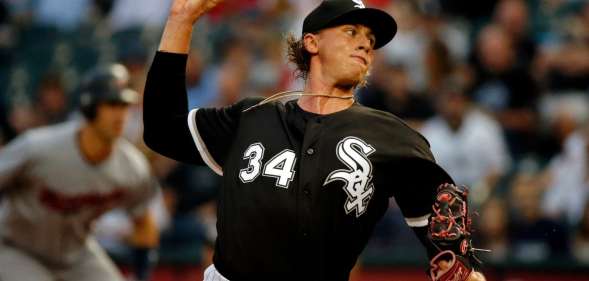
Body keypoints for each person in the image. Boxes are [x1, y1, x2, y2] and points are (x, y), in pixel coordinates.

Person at [143, 0, 487, 280]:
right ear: (311, 42)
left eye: (370, 38)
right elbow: (162, 131)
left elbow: (450, 250)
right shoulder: (253, 118)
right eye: (351, 31)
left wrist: (458, 266)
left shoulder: (392, 137)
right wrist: (181, 20)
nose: (366, 43)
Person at [0, 64, 158, 281]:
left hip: (75, 254)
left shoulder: (131, 166)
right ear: (89, 107)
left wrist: (141, 275)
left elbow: (144, 224)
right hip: (16, 248)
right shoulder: (39, 147)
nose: (121, 114)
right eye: (112, 104)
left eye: (124, 105)